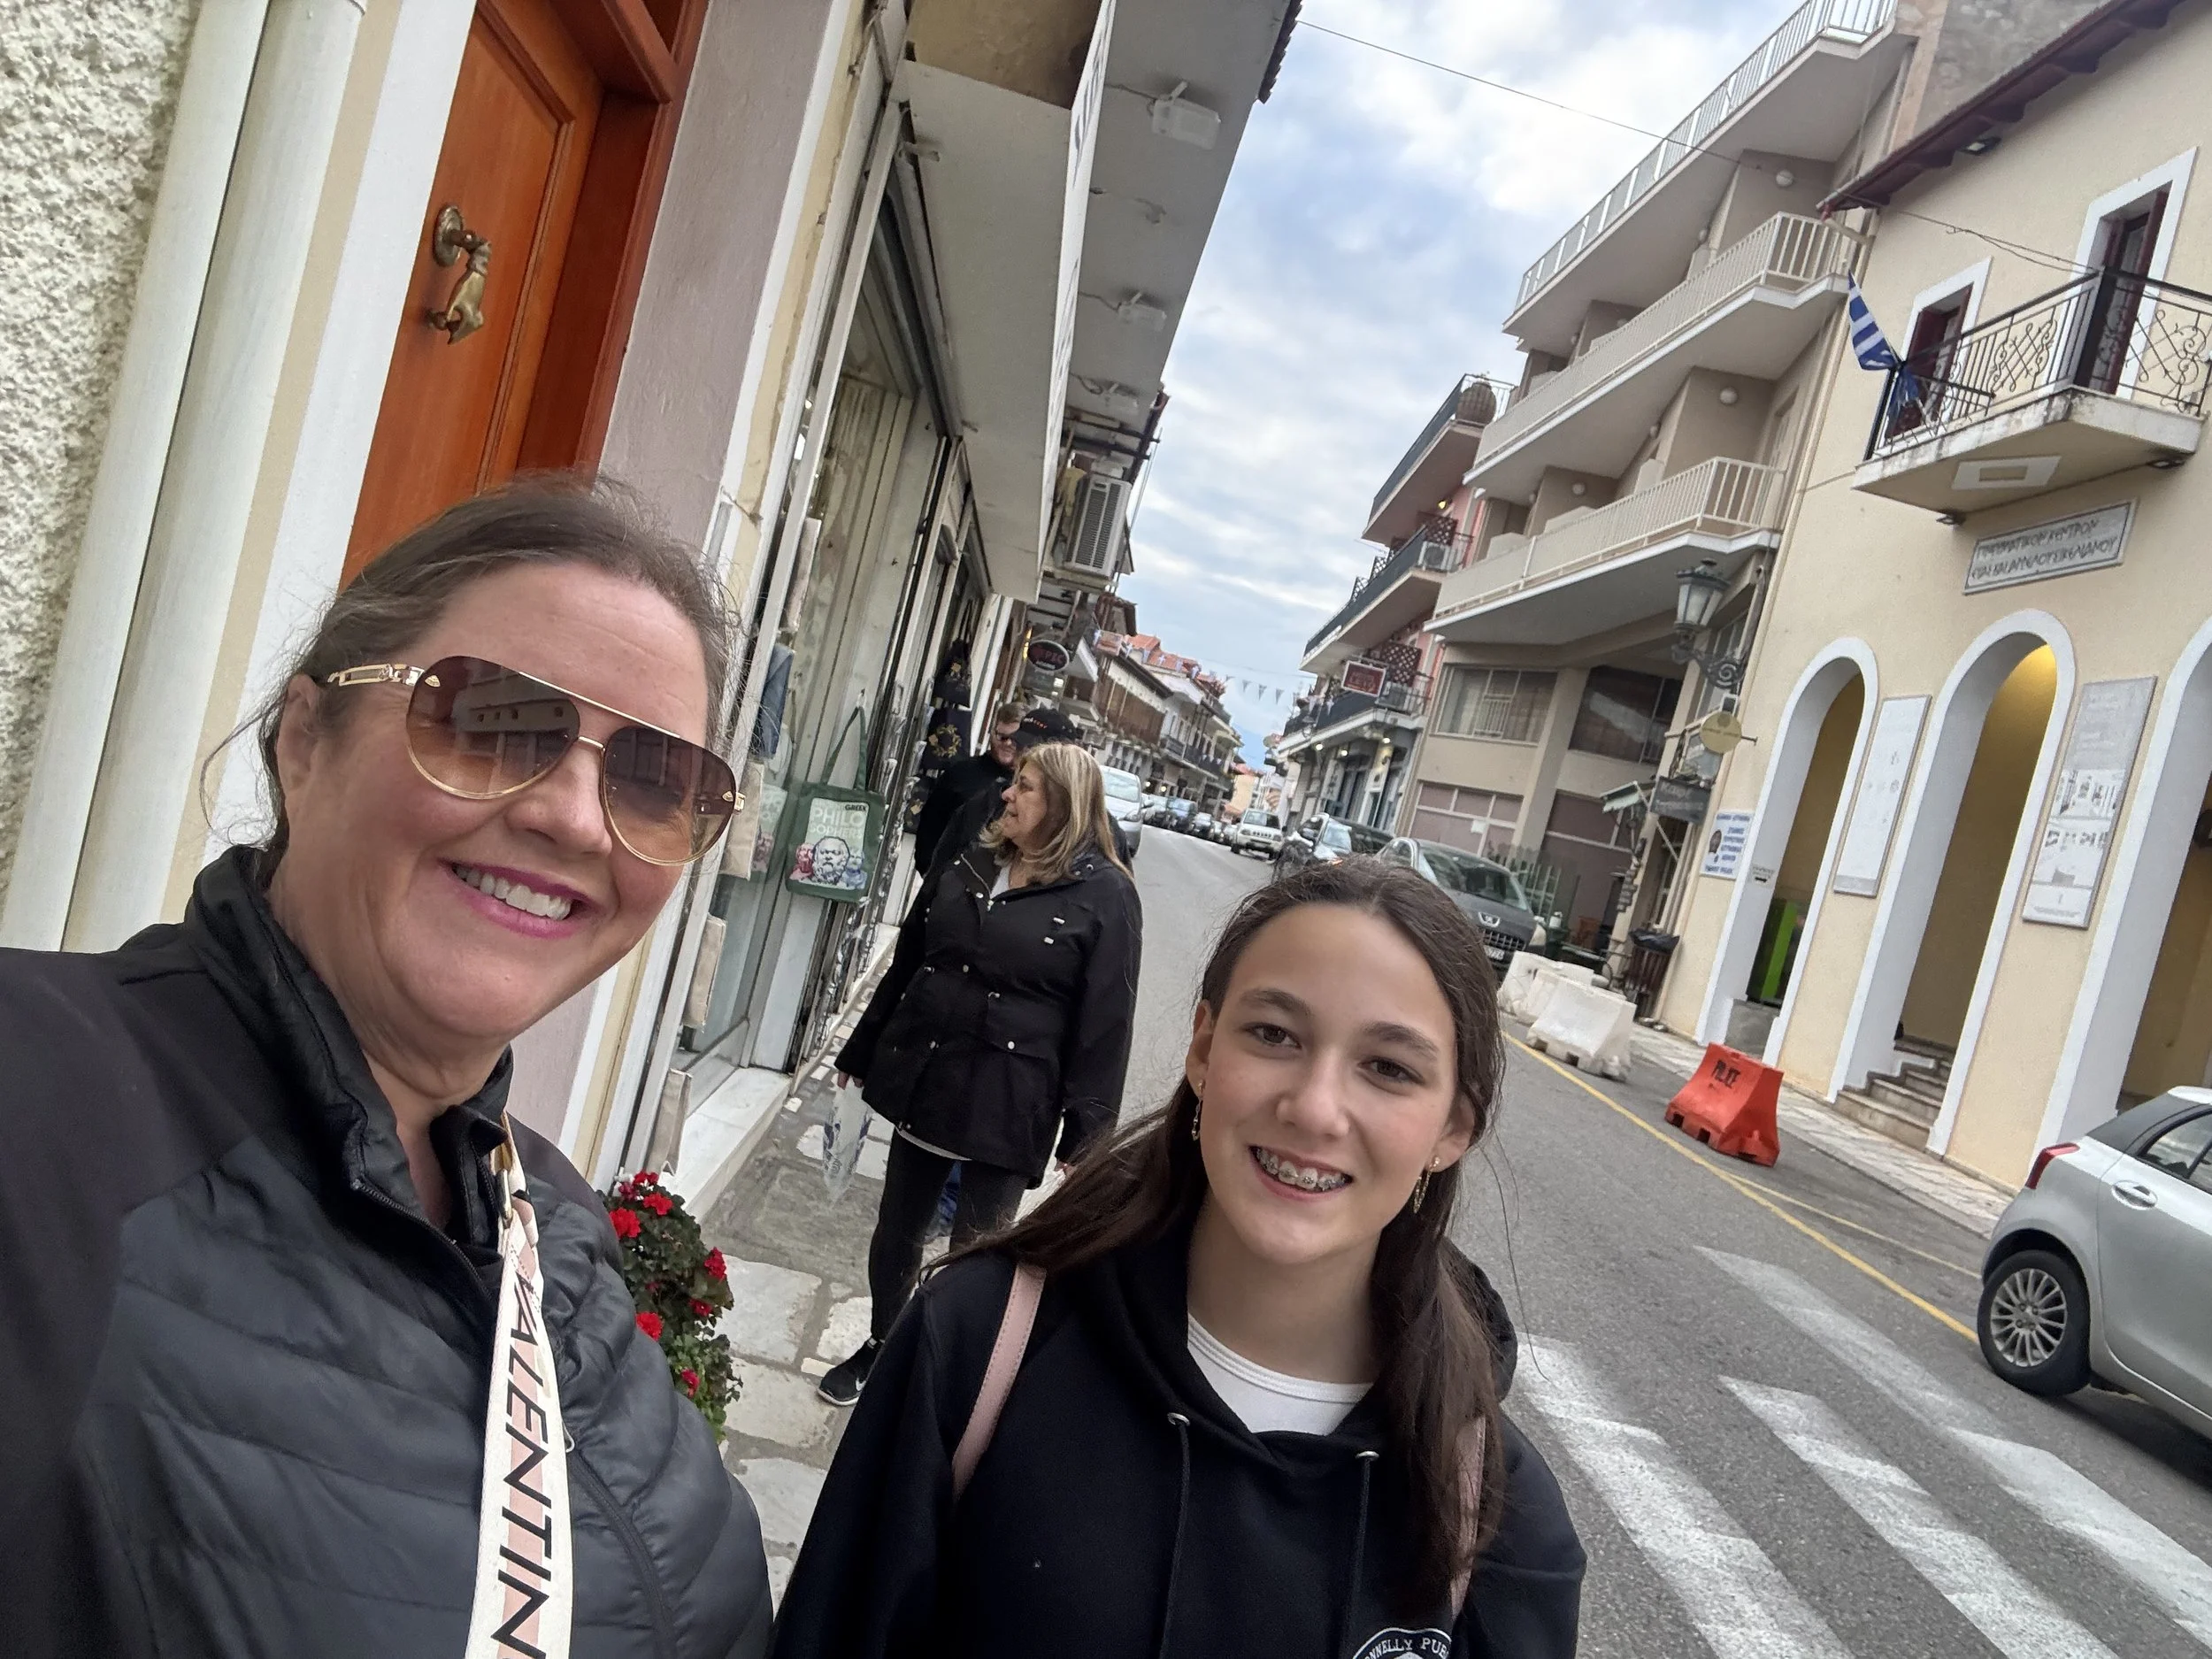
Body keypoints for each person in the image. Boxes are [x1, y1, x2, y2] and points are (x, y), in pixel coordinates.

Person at [0, 485, 772, 1657]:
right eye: (491, 721)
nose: (575, 818)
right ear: (305, 739)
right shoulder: (34, 1103)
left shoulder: (554, 1222)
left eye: (656, 782)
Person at [773, 859, 1586, 1658]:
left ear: (1453, 1129)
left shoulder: (1496, 1519)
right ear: (1203, 1048)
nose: (1314, 1108)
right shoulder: (977, 1349)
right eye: (1274, 1033)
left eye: (1389, 1068)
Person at [818, 741, 1143, 1408]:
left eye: (1025, 785)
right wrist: (861, 1050)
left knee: (977, 1254)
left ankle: (947, 1374)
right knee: (897, 1230)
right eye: (1013, 781)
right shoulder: (977, 854)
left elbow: (1107, 1022)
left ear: (1062, 803)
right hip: (928, 1071)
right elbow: (911, 956)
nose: (1007, 794)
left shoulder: (1106, 894)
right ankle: (883, 1343)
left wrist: (1088, 1135)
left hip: (1010, 1100)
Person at [911, 699, 1022, 869]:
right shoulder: (961, 772)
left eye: (1014, 739)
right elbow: (930, 824)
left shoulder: (1026, 788)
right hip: (945, 874)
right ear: (992, 733)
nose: (1007, 743)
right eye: (1002, 737)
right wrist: (930, 871)